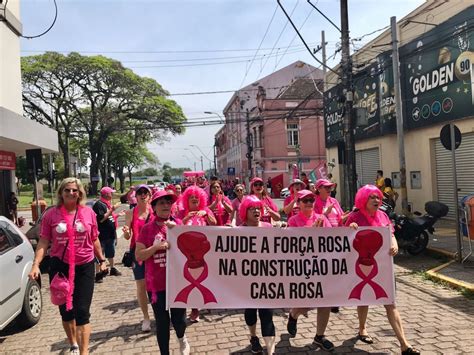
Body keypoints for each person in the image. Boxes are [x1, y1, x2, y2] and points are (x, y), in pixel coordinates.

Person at [28, 177, 107, 355]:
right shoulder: (51, 215)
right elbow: (43, 242)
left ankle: (84, 352)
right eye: (67, 190)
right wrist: (35, 265)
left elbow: (94, 238)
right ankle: (73, 343)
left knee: (82, 312)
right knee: (66, 312)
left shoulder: (88, 213)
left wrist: (101, 260)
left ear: (80, 193)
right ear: (61, 193)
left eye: (75, 190)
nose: (71, 193)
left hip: (84, 266)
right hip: (60, 268)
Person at [345, 185, 420, 355]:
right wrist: (351, 228)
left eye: (378, 197)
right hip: (361, 264)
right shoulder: (355, 216)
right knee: (363, 298)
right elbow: (345, 238)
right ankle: (362, 329)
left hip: (382, 267)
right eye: (372, 197)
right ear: (364, 199)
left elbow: (390, 233)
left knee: (390, 302)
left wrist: (394, 243)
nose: (376, 200)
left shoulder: (384, 216)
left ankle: (404, 344)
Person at [135, 190, 190, 355]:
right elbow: (139, 255)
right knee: (162, 322)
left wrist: (178, 232)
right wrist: (156, 247)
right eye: (161, 203)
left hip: (178, 282)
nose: (166, 205)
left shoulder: (179, 224)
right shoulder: (147, 229)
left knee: (179, 320)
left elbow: (191, 250)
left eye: (168, 202)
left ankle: (182, 338)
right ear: (154, 207)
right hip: (156, 285)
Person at [286, 189, 335, 351]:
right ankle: (293, 315)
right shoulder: (293, 221)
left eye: (311, 200)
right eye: (305, 200)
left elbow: (333, 239)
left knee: (325, 302)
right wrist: (310, 232)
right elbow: (290, 245)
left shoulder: (322, 218)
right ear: (298, 203)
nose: (308, 203)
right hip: (301, 268)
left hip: (320, 267)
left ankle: (319, 337)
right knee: (307, 304)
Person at [239, 195, 276, 354]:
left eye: (258, 208)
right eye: (251, 208)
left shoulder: (268, 227)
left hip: (267, 278)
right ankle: (253, 337)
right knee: (250, 311)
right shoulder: (239, 231)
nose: (256, 211)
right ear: (244, 212)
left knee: (267, 313)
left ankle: (270, 349)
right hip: (247, 279)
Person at [177, 185, 216, 322]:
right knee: (192, 278)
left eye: (197, 197)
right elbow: (175, 228)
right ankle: (194, 309)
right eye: (191, 197)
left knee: (206, 277)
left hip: (204, 251)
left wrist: (206, 214)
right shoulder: (182, 212)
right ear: (186, 200)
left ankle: (204, 302)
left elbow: (214, 223)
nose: (194, 199)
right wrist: (186, 218)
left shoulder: (205, 211)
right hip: (188, 253)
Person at [122, 185, 153, 332]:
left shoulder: (154, 210)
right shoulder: (131, 212)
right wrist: (127, 232)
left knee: (157, 283)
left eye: (145, 192)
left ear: (149, 195)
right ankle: (146, 317)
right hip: (137, 252)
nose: (142, 195)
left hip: (154, 252)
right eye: (139, 192)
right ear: (136, 196)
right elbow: (128, 236)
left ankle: (160, 313)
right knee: (141, 285)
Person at [93, 187, 122, 282]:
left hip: (110, 234)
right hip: (102, 235)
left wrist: (117, 214)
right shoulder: (99, 205)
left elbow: (110, 217)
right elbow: (101, 219)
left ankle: (112, 268)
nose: (112, 195)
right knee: (99, 254)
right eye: (111, 193)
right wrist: (112, 209)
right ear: (106, 194)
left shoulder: (107, 204)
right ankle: (98, 273)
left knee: (111, 253)